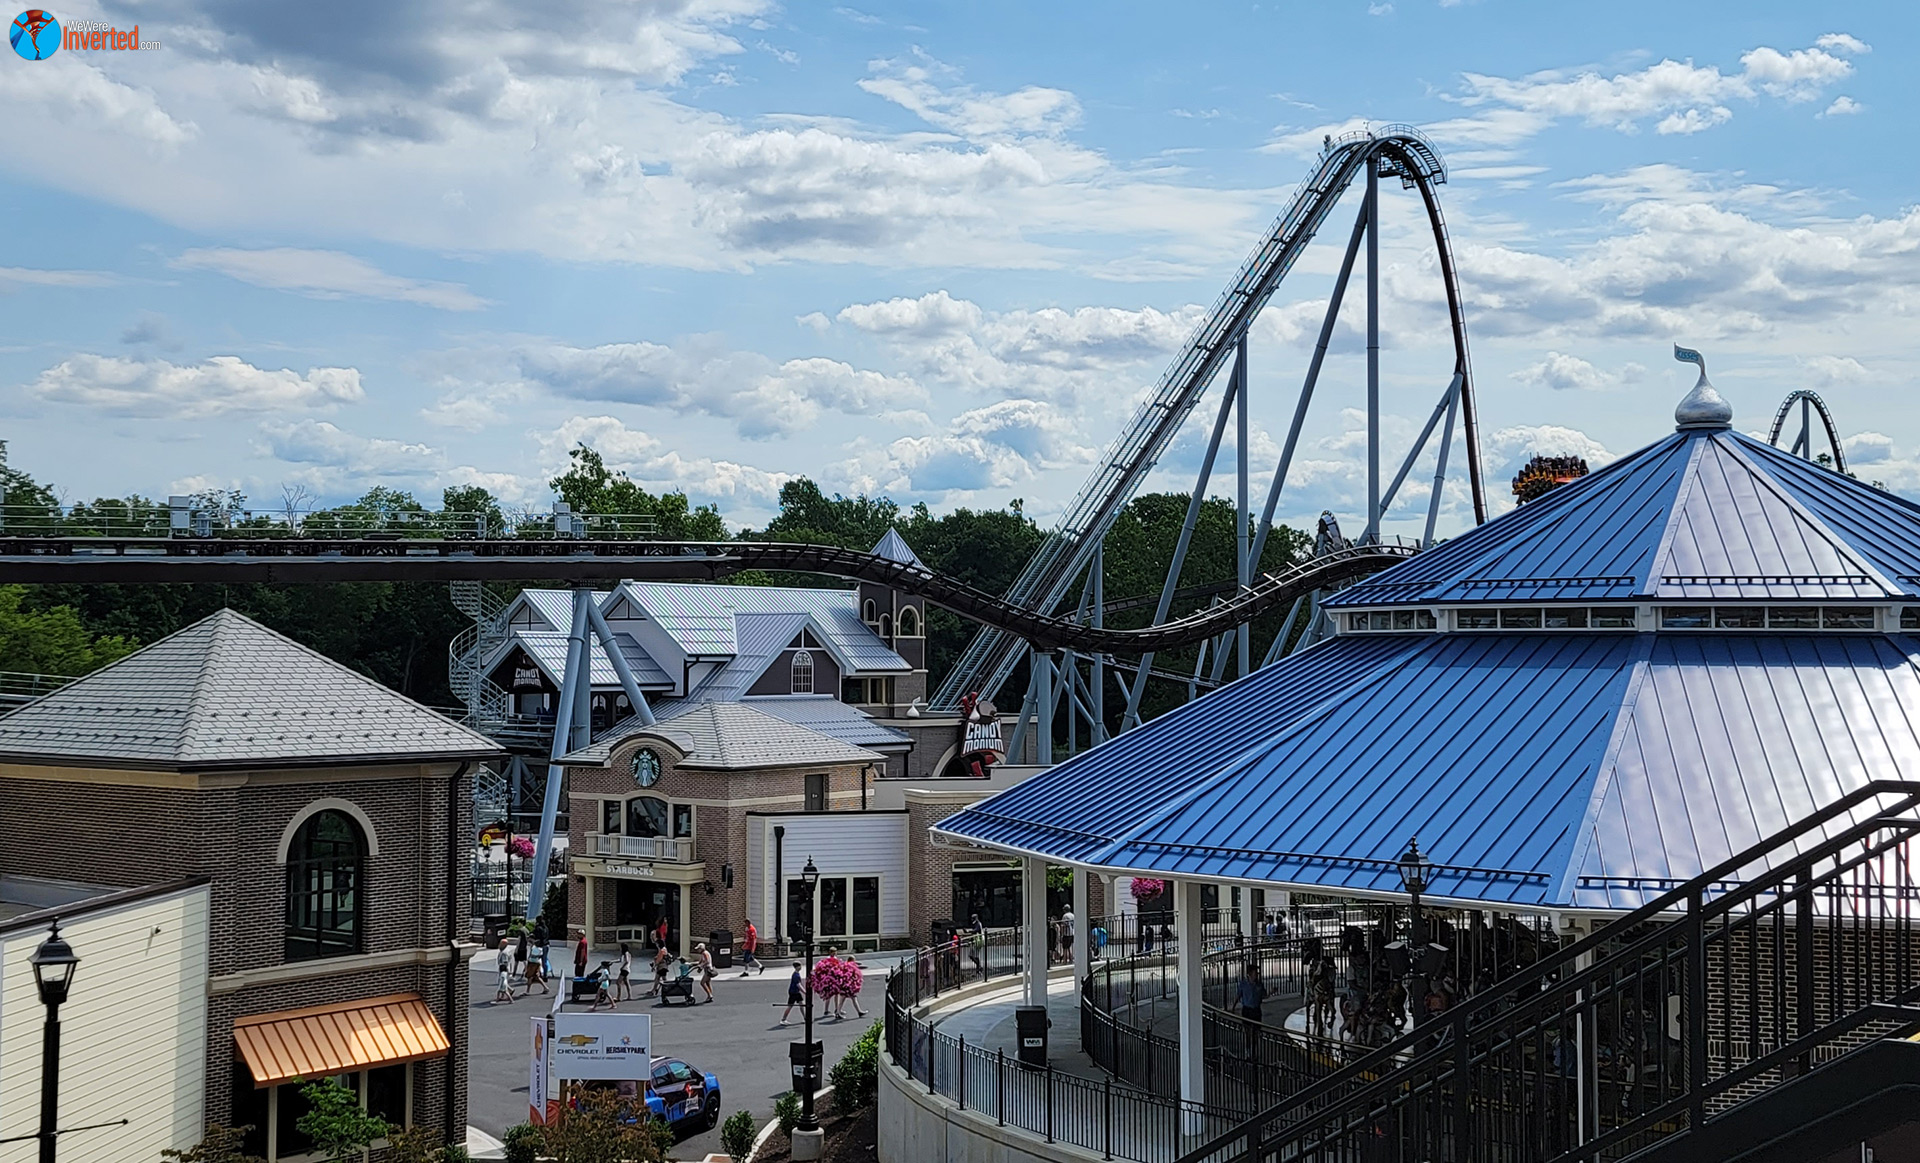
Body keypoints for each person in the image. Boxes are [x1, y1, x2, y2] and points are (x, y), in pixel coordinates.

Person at [780, 961, 806, 1026]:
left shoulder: (796, 974)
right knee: (790, 1006)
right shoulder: (795, 975)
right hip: (793, 992)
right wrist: (805, 992)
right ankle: (783, 1019)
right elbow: (798, 985)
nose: (801, 967)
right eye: (800, 966)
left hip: (797, 992)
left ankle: (805, 1018)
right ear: (797, 967)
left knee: (802, 1004)